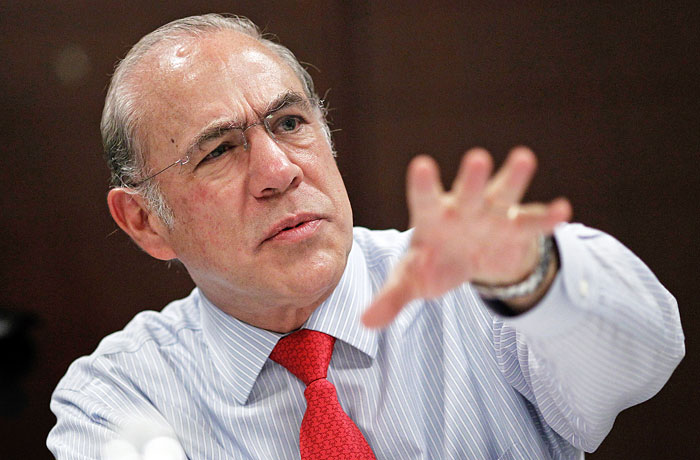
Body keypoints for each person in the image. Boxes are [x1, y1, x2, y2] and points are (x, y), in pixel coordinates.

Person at [48, 13, 684, 459]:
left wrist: (531, 277)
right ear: (146, 221)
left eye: (289, 122)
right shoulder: (120, 395)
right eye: (218, 151)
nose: (279, 170)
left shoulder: (478, 283)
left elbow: (647, 356)